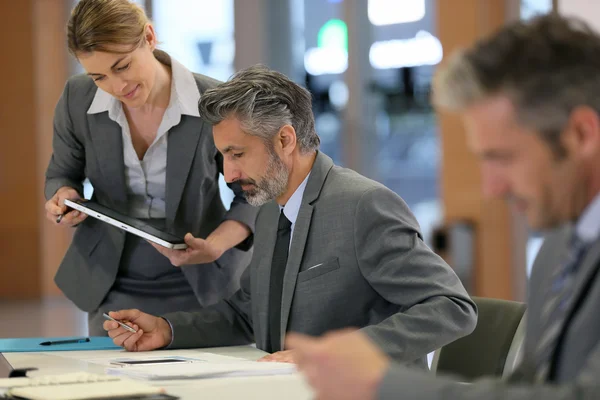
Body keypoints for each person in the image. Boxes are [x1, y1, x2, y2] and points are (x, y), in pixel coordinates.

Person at [287, 14, 600, 399]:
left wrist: (382, 383)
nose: (492, 186)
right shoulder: (558, 251)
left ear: (581, 134)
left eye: (504, 157)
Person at [103, 65, 477, 365]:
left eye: (237, 154)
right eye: (224, 157)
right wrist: (166, 329)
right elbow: (248, 313)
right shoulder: (269, 209)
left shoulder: (364, 206)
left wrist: (336, 356)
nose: (229, 174)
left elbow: (451, 307)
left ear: (285, 140)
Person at [44, 0, 257, 336]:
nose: (116, 86)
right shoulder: (78, 97)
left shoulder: (214, 100)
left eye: (123, 66)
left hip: (201, 277)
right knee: (115, 384)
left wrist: (215, 244)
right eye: (98, 76)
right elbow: (62, 172)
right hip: (110, 278)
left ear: (149, 36)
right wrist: (63, 196)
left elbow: (252, 193)